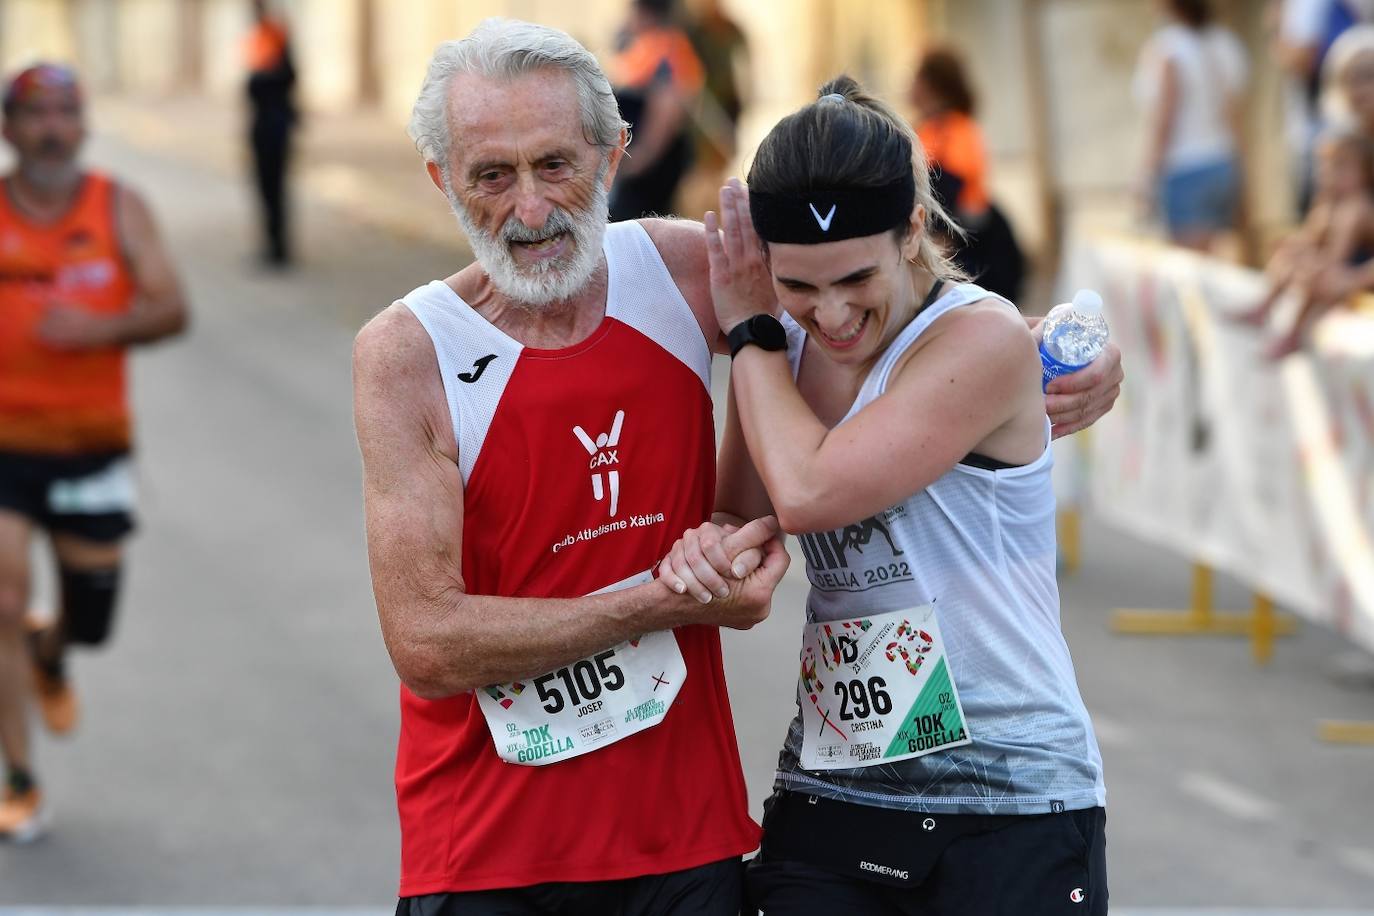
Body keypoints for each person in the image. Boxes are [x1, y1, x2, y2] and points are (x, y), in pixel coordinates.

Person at [352, 19, 1123, 914]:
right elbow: (425, 642)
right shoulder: (409, 353)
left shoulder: (691, 275)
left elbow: (873, 311)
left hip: (693, 845)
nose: (530, 209)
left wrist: (1050, 356)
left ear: (614, 155)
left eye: (555, 165)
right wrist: (660, 600)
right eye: (492, 175)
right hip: (488, 851)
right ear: (443, 179)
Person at [658, 77, 1109, 914]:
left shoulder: (979, 338)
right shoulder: (779, 347)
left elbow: (807, 491)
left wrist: (753, 328)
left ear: (911, 229)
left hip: (1006, 797)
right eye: (797, 285)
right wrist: (710, 553)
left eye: (854, 279)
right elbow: (745, 509)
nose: (828, 315)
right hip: (838, 783)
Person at [0, 63, 189, 842]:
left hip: (90, 445)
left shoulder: (120, 207)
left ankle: (53, 649)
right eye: (35, 114)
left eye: (66, 114)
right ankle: (18, 777)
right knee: (1, 602)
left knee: (92, 618)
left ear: (83, 127)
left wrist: (99, 329)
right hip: (5, 443)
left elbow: (170, 308)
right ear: (10, 129)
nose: (52, 127)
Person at [1235, 125, 1374, 357]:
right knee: (1292, 257)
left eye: (1341, 167)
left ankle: (1294, 333)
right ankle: (1265, 307)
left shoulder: (1358, 207)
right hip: (1343, 269)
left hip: (1353, 272)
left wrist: (1315, 264)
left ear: (1365, 173)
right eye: (1327, 167)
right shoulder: (1328, 204)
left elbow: (1335, 261)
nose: (1330, 174)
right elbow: (1310, 239)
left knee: (1319, 274)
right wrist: (1291, 248)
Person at [909, 45, 1024, 302]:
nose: (909, 85)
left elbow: (949, 191)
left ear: (932, 84)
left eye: (916, 77)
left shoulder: (957, 129)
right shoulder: (927, 128)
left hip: (969, 243)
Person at [1134, 0, 1249, 251]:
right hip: (1223, 162)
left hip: (1186, 166)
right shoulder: (1226, 43)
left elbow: (1164, 121)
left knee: (1191, 267)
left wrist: (1145, 177)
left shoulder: (1168, 49)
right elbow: (1235, 117)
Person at [608, 0, 704, 220]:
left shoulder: (667, 49)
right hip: (642, 160)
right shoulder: (644, 46)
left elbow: (666, 108)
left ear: (645, 13)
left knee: (639, 222)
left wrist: (639, 159)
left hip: (651, 165)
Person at [243, 0, 298, 266]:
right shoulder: (260, 38)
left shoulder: (275, 37)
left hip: (275, 127)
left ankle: (279, 248)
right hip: (262, 125)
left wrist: (257, 81)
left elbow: (284, 78)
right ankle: (271, 244)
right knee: (264, 188)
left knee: (274, 187)